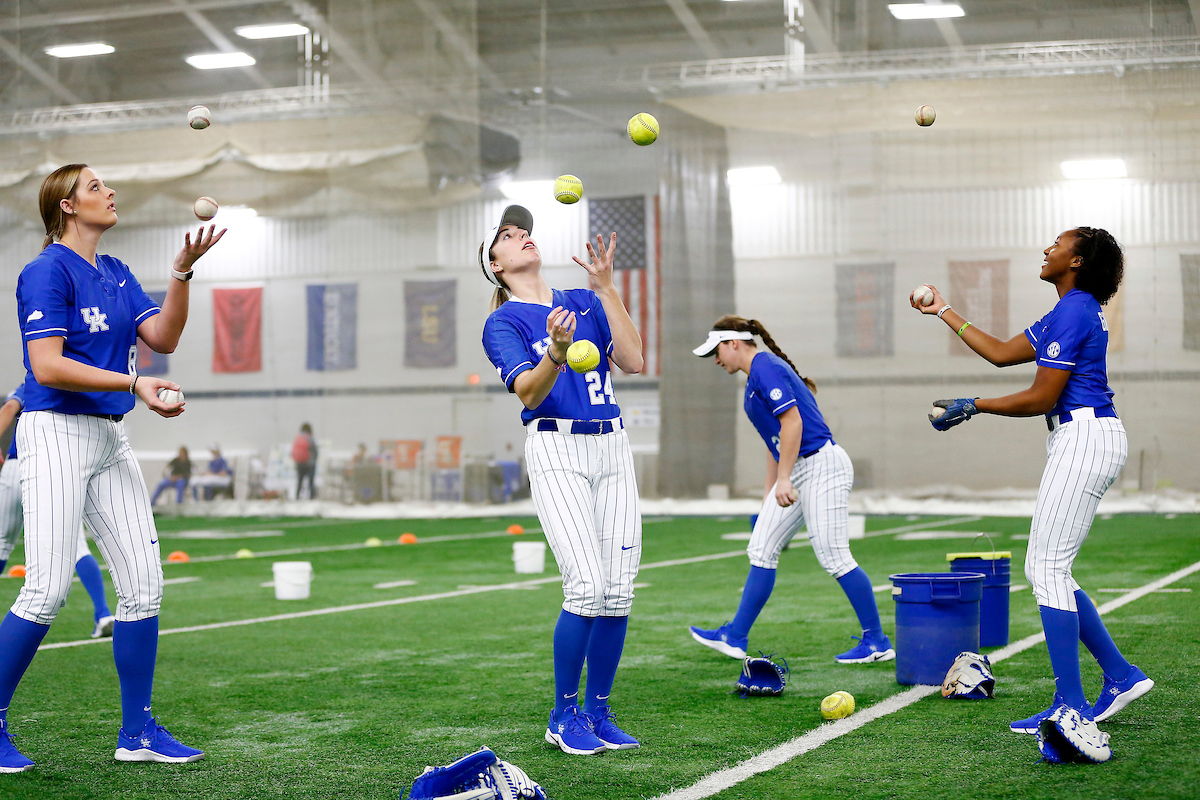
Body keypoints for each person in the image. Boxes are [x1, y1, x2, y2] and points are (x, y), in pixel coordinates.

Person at [0, 164, 223, 774]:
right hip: (54, 434)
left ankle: (137, 731)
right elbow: (46, 366)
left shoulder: (118, 272)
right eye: (96, 187)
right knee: (45, 589)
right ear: (66, 206)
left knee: (145, 585)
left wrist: (181, 272)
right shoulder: (45, 270)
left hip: (108, 436)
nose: (110, 192)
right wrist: (136, 381)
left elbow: (165, 336)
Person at [913, 227, 1152, 759]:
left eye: (1057, 245)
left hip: (1084, 435)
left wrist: (974, 404)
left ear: (1078, 260)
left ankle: (1072, 702)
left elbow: (1041, 395)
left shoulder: (1075, 309)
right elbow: (1000, 353)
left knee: (1044, 571)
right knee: (1053, 571)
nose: (1047, 250)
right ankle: (1119, 675)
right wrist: (944, 311)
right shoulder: (1067, 310)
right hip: (1082, 435)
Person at [480, 205, 644, 755]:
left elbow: (635, 360)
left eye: (523, 229)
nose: (521, 235)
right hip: (557, 448)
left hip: (613, 446)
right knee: (586, 587)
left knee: (618, 591)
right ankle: (563, 713)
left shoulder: (582, 300)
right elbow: (528, 391)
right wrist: (552, 350)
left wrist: (606, 289)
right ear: (496, 264)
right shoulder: (503, 322)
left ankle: (598, 712)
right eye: (507, 235)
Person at [688, 316, 894, 665]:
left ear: (734, 343)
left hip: (821, 466)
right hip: (799, 469)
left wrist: (784, 480)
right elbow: (776, 444)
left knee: (834, 556)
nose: (716, 359)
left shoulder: (765, 366)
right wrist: (771, 492)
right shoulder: (756, 377)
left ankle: (877, 641)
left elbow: (793, 423)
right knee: (762, 548)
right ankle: (735, 636)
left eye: (717, 351)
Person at [0, 384, 115, 639]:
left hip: (18, 465)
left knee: (1, 544)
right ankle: (103, 613)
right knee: (77, 547)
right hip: (56, 468)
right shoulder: (81, 385)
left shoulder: (35, 382)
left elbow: (9, 407)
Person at [291, 423, 318, 500]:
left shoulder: (298, 438)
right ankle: (312, 497)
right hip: (310, 464)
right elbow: (315, 451)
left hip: (299, 463)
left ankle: (297, 496)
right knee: (311, 482)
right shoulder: (310, 438)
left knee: (300, 481)